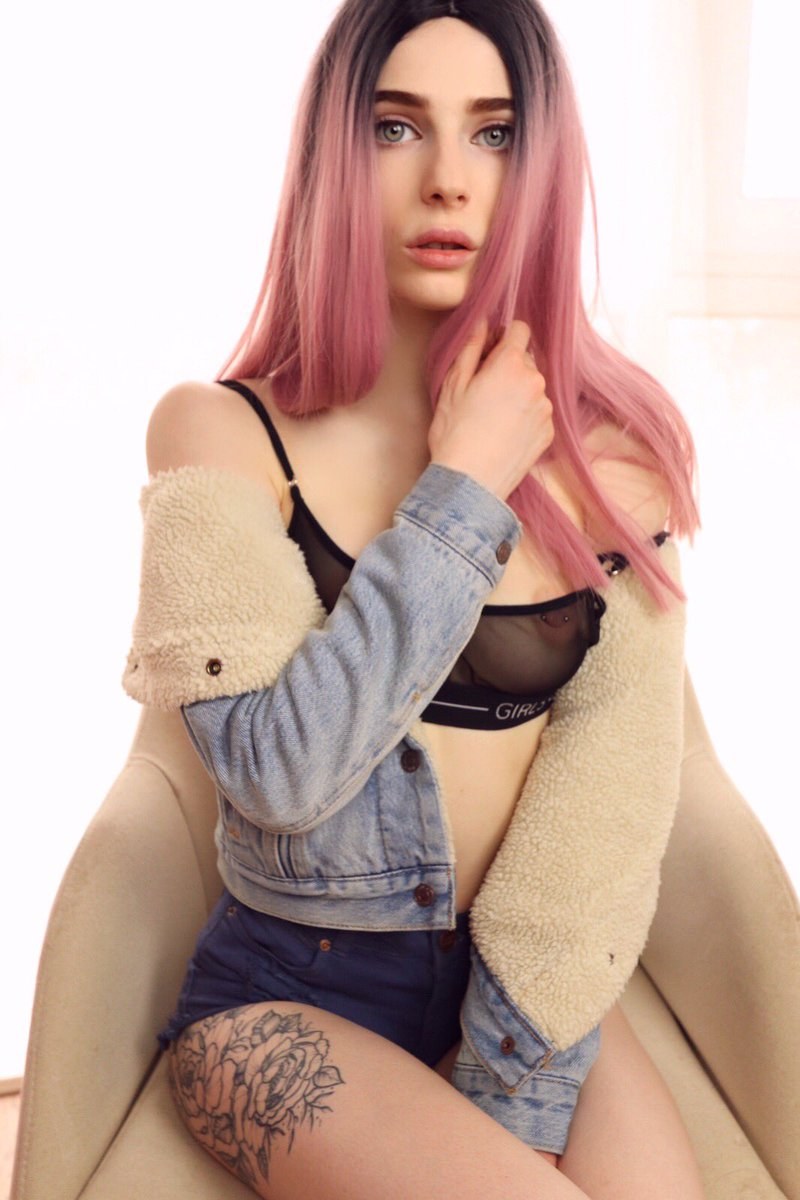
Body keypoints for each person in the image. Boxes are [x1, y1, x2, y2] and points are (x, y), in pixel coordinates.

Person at [124, 1, 705, 1196]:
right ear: (333, 155)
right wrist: (465, 487)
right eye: (396, 127)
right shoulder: (218, 430)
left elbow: (613, 784)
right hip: (280, 1002)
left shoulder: (615, 453)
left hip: (524, 993)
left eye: (493, 133)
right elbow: (279, 774)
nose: (447, 178)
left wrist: (510, 1086)